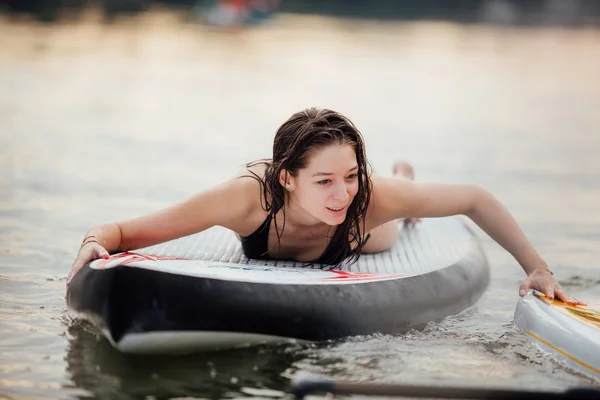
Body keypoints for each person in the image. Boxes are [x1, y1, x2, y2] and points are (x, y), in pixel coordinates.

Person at [67, 107, 580, 305]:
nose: (342, 192)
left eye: (351, 175)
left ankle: (404, 177)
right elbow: (120, 231)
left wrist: (537, 268)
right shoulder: (245, 198)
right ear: (286, 178)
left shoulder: (366, 199)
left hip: (366, 235)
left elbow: (474, 198)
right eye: (326, 181)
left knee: (395, 218)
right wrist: (93, 245)